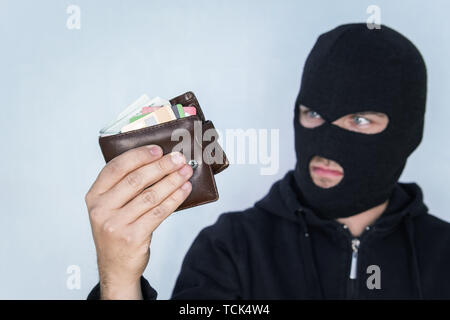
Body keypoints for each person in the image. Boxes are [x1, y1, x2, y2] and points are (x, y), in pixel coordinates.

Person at [85, 23, 450, 299]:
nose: (325, 142)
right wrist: (118, 278)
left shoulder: (442, 254)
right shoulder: (230, 248)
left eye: (359, 120)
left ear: (407, 133)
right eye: (315, 114)